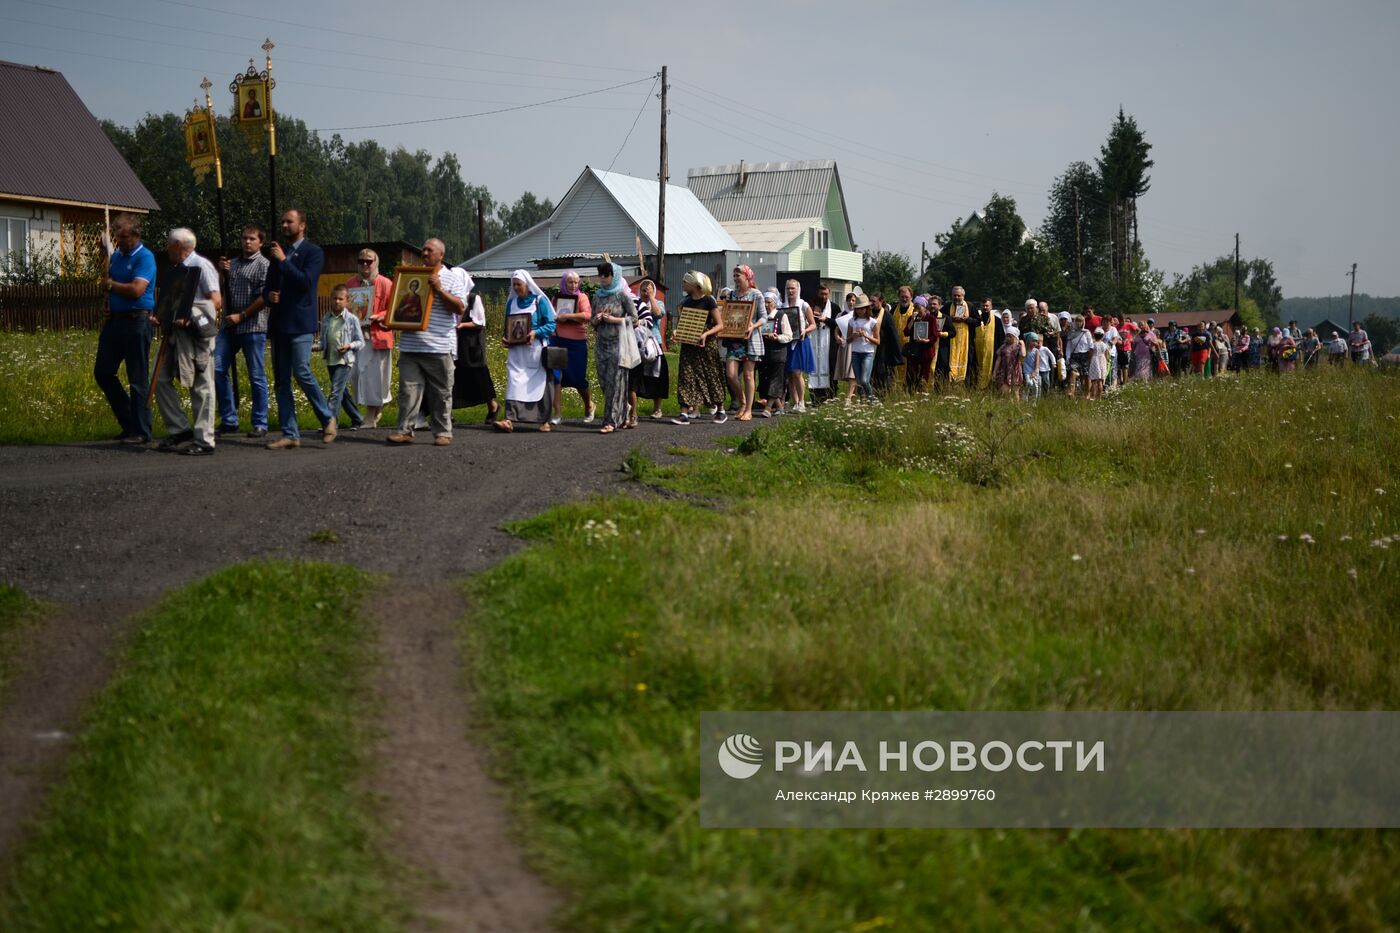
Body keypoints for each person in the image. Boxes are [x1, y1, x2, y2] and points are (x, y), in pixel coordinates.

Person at [263, 208, 334, 449]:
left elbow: (305, 282)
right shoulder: (276, 254)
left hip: (301, 323)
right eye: (282, 221)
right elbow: (268, 286)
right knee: (281, 380)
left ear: (302, 225)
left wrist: (283, 261)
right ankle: (290, 433)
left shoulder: (313, 252)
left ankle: (327, 417)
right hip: (280, 322)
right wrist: (268, 295)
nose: (284, 225)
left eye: (289, 222)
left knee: (302, 371)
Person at [386, 239, 466, 446]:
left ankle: (443, 432)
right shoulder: (411, 276)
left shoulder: (451, 278)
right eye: (423, 249)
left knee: (441, 392)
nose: (425, 252)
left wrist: (439, 290)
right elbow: (400, 306)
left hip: (438, 345)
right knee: (408, 391)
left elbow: (459, 308)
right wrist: (389, 318)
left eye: (430, 250)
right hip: (411, 345)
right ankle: (404, 431)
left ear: (441, 255)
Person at [153, 227, 221, 455]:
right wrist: (162, 314)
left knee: (202, 385)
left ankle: (204, 440)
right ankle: (180, 428)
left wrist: (189, 314)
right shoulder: (176, 270)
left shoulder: (201, 265)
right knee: (159, 377)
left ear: (178, 246)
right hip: (174, 333)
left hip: (197, 334)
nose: (166, 249)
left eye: (169, 245)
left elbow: (215, 300)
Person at [95, 213, 157, 444]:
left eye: (123, 237)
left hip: (137, 322)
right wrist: (108, 301)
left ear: (136, 235)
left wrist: (112, 285)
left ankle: (142, 430)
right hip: (116, 322)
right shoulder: (117, 257)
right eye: (117, 237)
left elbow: (136, 290)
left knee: (138, 378)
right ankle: (129, 422)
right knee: (103, 372)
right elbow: (112, 288)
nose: (120, 241)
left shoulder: (145, 257)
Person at [214, 224, 270, 438]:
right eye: (244, 238)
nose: (247, 242)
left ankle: (260, 422)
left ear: (260, 242)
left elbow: (264, 297)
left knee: (256, 375)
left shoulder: (264, 265)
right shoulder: (233, 264)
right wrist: (222, 273)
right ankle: (229, 419)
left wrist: (243, 315)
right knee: (217, 368)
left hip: (252, 326)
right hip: (229, 326)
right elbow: (221, 290)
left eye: (252, 239)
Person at [492, 269, 557, 433]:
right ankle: (509, 419)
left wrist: (536, 332)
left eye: (519, 284)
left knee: (541, 384)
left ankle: (545, 420)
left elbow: (551, 324)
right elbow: (508, 325)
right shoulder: (511, 303)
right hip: (516, 351)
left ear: (527, 284)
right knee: (514, 382)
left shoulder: (539, 301)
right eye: (514, 285)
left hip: (535, 349)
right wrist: (505, 338)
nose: (516, 288)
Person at [346, 248, 395, 428]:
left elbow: (394, 309)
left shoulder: (386, 283)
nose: (365, 264)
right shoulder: (350, 284)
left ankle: (371, 415)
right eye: (361, 261)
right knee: (356, 375)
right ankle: (374, 409)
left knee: (373, 376)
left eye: (369, 261)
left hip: (377, 336)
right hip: (356, 337)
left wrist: (380, 316)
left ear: (376, 263)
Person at [671, 271, 727, 425]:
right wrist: (677, 333)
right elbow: (683, 324)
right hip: (689, 345)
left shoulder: (709, 301)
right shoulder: (686, 302)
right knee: (686, 376)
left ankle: (721, 409)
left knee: (712, 375)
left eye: (685, 282)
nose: (683, 285)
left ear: (695, 285)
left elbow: (720, 325)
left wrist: (705, 334)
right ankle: (684, 413)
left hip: (707, 345)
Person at [590, 261, 636, 434]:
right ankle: (623, 408)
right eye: (600, 274)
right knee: (604, 382)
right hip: (601, 343)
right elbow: (592, 322)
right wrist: (598, 319)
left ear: (614, 276)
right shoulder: (597, 296)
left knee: (615, 383)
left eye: (606, 275)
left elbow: (634, 318)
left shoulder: (622, 295)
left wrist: (615, 320)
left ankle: (610, 421)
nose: (602, 278)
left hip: (619, 343)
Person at [718, 264, 765, 421]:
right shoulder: (731, 295)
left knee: (748, 375)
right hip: (734, 340)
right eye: (734, 275)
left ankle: (749, 410)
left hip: (751, 340)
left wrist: (753, 325)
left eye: (738, 275)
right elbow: (727, 314)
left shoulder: (756, 294)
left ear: (747, 276)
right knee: (730, 375)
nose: (735, 278)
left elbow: (763, 317)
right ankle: (743, 401)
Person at [451, 268, 498, 423]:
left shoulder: (472, 298)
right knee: (452, 379)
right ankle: (447, 413)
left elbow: (480, 322)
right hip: (455, 344)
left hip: (470, 346)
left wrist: (462, 326)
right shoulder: (449, 299)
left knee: (478, 377)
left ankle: (493, 406)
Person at [550, 270, 594, 424]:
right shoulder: (556, 298)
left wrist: (567, 316)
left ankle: (589, 405)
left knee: (578, 378)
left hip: (576, 343)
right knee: (556, 377)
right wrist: (556, 318)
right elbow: (551, 314)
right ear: (564, 282)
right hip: (556, 340)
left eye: (576, 282)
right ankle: (556, 414)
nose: (573, 285)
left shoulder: (582, 297)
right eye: (570, 282)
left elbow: (587, 316)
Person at [321, 284, 365, 432]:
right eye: (334, 298)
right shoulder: (327, 318)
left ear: (347, 301)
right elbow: (323, 341)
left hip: (345, 360)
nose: (337, 302)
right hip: (331, 360)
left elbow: (361, 341)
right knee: (342, 392)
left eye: (341, 299)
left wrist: (349, 346)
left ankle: (330, 423)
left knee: (335, 392)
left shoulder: (351, 319)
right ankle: (357, 418)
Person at [630, 276, 669, 420]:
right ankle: (634, 409)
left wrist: (652, 298)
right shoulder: (635, 304)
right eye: (643, 290)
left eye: (649, 290)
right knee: (637, 375)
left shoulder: (658, 303)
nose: (646, 292)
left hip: (654, 342)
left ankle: (657, 408)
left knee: (658, 375)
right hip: (638, 343)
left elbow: (659, 314)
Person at [759, 289, 793, 417]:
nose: (766, 305)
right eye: (764, 302)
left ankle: (768, 408)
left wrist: (777, 337)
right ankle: (779, 407)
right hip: (765, 352)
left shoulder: (781, 315)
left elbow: (788, 335)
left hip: (779, 352)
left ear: (774, 302)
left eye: (768, 302)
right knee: (767, 379)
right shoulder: (761, 317)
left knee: (776, 379)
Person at [783, 279, 815, 412]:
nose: (790, 291)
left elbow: (813, 324)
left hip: (800, 341)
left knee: (797, 373)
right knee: (789, 374)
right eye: (788, 288)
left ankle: (801, 401)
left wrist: (805, 331)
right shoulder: (782, 305)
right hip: (787, 341)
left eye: (793, 288)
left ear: (798, 289)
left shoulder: (803, 305)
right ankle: (795, 402)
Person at [807, 283, 839, 403]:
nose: (824, 297)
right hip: (814, 342)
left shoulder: (835, 308)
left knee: (830, 370)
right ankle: (815, 398)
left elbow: (838, 324)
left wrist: (826, 319)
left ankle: (830, 396)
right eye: (821, 294)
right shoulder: (811, 306)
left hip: (829, 344)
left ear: (829, 293)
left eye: (826, 294)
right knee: (814, 369)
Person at [944, 285, 978, 385]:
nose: (956, 298)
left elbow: (978, 321)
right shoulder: (947, 306)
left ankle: (965, 386)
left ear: (963, 296)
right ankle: (949, 385)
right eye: (954, 295)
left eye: (959, 295)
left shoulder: (970, 306)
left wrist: (966, 319)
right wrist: (951, 319)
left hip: (967, 342)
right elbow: (940, 320)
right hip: (950, 342)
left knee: (968, 364)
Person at [903, 295, 937, 392]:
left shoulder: (931, 319)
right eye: (915, 307)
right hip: (914, 351)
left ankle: (922, 394)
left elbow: (935, 336)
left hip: (926, 351)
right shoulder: (912, 318)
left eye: (918, 307)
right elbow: (906, 333)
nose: (916, 309)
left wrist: (927, 340)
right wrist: (912, 321)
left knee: (924, 375)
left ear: (924, 307)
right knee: (911, 374)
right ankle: (910, 393)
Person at [1063, 314, 1093, 398]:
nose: (1079, 323)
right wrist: (1068, 357)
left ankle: (1087, 393)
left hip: (1085, 355)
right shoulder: (1071, 333)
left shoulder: (1086, 333)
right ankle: (1071, 393)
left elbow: (1090, 345)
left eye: (1080, 321)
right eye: (1077, 321)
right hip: (1074, 356)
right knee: (1073, 373)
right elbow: (1068, 346)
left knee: (1085, 376)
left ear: (1083, 322)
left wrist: (1091, 357)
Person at [992, 329, 1025, 400]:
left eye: (1010, 336)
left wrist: (1022, 345)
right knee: (1004, 392)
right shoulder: (1003, 347)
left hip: (1015, 372)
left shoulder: (1018, 347)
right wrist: (995, 371)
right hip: (1004, 371)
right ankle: (1009, 404)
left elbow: (1023, 355)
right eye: (1007, 336)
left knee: (1015, 393)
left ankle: (1016, 407)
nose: (1007, 338)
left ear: (1015, 337)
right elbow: (998, 359)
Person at [1087, 327, 1110, 400]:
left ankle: (1093, 397)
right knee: (1100, 381)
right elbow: (1106, 356)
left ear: (1094, 335)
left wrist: (1089, 364)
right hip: (1102, 361)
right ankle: (1100, 398)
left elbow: (1090, 355)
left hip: (1094, 361)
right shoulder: (1105, 345)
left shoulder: (1093, 345)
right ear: (1102, 336)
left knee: (1094, 381)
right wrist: (1106, 364)